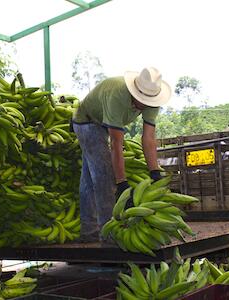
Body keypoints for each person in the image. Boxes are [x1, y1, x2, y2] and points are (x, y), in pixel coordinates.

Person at [72, 67, 172, 243]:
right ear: (135, 91)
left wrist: (155, 171)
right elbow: (116, 144)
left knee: (89, 179)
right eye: (142, 100)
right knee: (103, 176)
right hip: (87, 122)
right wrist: (121, 183)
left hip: (104, 121)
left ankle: (88, 231)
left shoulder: (152, 101)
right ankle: (108, 235)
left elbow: (148, 138)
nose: (144, 104)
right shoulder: (117, 94)